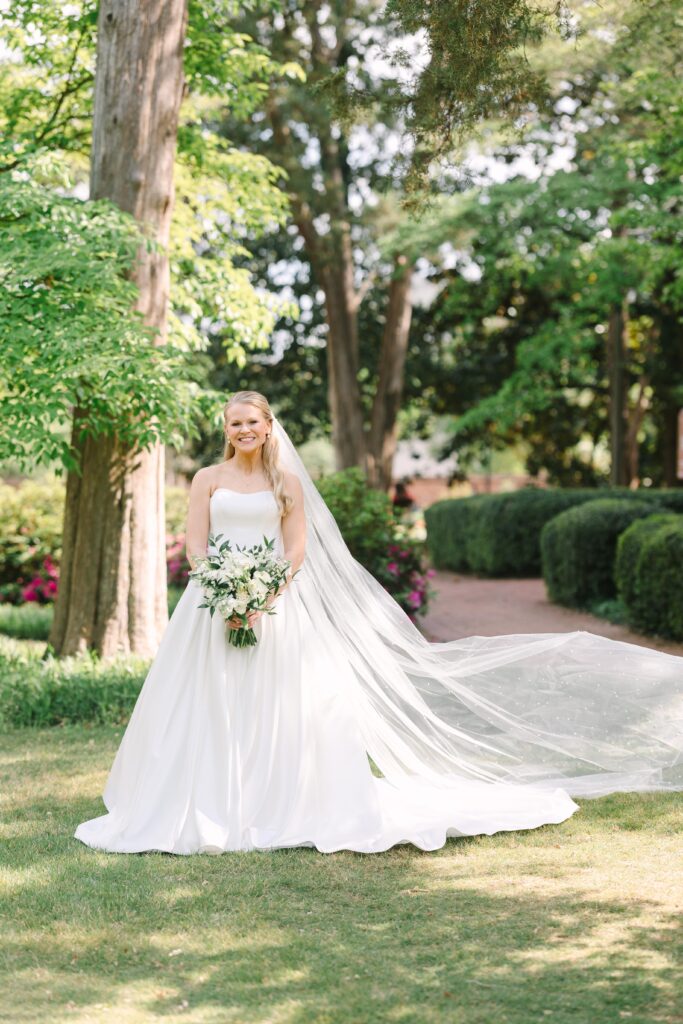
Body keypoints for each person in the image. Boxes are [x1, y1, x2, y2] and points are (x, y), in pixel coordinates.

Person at [74, 391, 683, 855]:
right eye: (235, 424)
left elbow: (296, 551)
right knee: (204, 701)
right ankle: (204, 801)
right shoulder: (207, 479)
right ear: (226, 430)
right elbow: (195, 544)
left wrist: (261, 598)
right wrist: (223, 592)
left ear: (268, 425)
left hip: (275, 608)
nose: (244, 431)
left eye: (252, 421)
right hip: (211, 608)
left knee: (282, 705)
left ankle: (277, 799)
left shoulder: (286, 482)